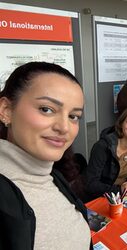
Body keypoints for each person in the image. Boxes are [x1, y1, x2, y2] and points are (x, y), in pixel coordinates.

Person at [0, 62, 91, 249]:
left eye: (73, 116)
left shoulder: (55, 177)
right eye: (46, 109)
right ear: (6, 111)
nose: (64, 127)